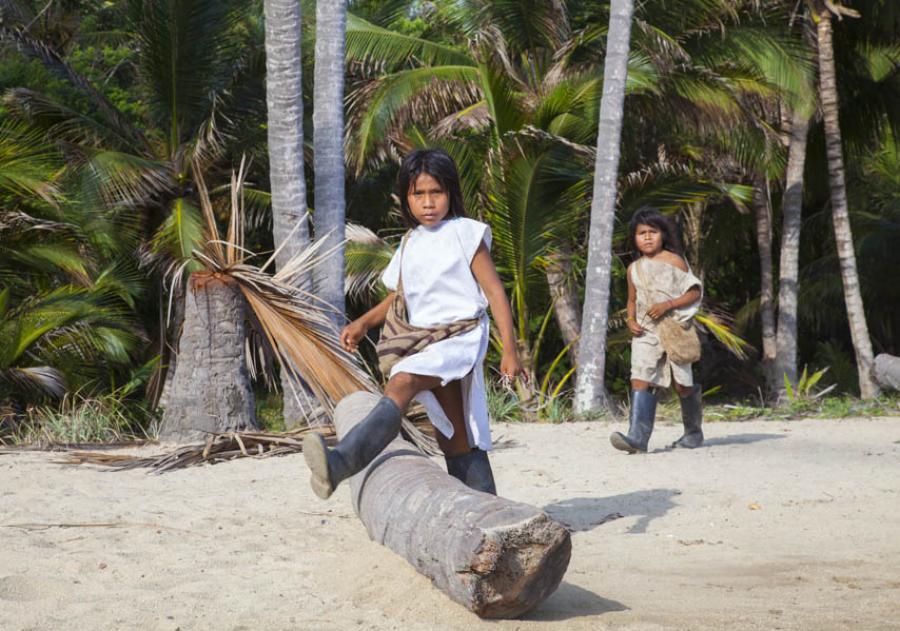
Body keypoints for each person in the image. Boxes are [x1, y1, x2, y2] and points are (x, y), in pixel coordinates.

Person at [303, 148, 525, 499]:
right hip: (422, 340)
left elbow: (496, 293)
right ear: (406, 198)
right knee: (454, 438)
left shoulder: (465, 232)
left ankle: (341, 462)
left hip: (459, 337)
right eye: (418, 194)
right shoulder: (410, 241)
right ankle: (489, 510)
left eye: (435, 192)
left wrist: (510, 351)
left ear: (450, 192)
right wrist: (362, 323)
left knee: (403, 382)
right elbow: (400, 296)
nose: (427, 202)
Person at [610, 207, 704, 454]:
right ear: (634, 238)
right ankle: (637, 438)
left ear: (663, 234)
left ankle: (693, 432)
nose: (648, 237)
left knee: (683, 384)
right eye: (642, 233)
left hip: (675, 330)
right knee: (640, 378)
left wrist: (669, 304)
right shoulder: (634, 269)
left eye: (653, 231)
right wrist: (630, 319)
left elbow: (694, 291)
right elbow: (632, 300)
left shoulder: (675, 261)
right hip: (646, 332)